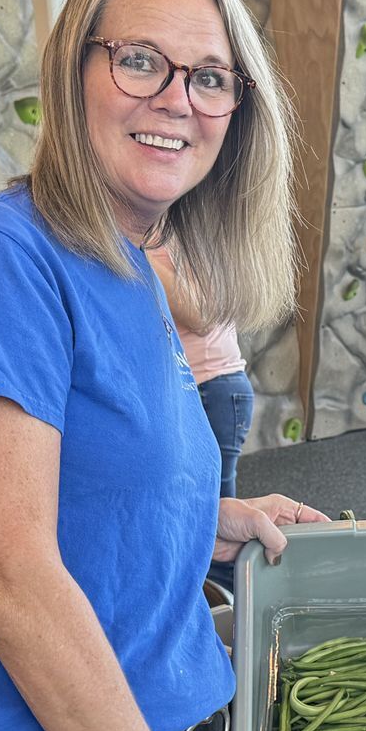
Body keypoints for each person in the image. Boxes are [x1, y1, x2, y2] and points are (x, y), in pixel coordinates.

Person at [0, 0, 326, 731]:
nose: (178, 100)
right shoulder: (0, 253)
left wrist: (199, 518)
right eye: (141, 61)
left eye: (212, 77)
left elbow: (68, 484)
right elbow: (2, 571)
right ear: (75, 72)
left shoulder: (134, 266)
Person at [148, 243, 254, 591]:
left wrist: (132, 250)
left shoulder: (188, 233)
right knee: (188, 509)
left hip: (214, 388)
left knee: (213, 520)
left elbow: (201, 315)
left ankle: (227, 623)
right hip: (188, 387)